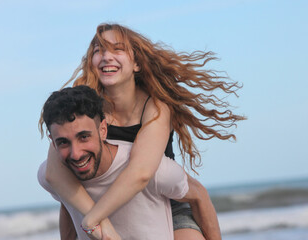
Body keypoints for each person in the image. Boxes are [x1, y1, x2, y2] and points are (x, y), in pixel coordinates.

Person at [38, 23, 244, 240]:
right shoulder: (84, 107)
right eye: (98, 51)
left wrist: (93, 219)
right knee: (67, 196)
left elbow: (141, 173)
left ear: (136, 63)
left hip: (162, 198)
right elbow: (54, 172)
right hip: (97, 202)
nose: (107, 56)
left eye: (117, 49)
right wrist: (94, 217)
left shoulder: (155, 107)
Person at [38, 85, 219, 240]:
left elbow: (198, 193)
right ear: (52, 142)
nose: (76, 154)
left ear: (103, 130)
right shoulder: (55, 177)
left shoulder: (154, 170)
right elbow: (66, 204)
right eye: (63, 142)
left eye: (84, 137)